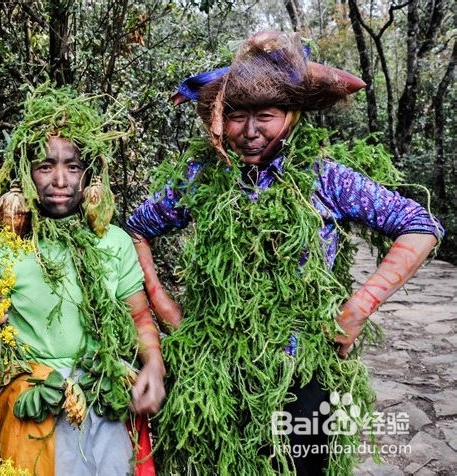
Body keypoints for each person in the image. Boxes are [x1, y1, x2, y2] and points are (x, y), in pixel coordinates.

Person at [126, 31, 444, 475]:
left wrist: (358, 308)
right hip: (216, 367)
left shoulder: (323, 178)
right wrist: (162, 303)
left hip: (303, 369)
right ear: (219, 119)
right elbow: (136, 228)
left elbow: (421, 226)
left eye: (266, 116)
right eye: (236, 117)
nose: (250, 132)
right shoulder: (201, 178)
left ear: (292, 115)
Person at [0, 85, 165, 475]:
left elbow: (139, 317)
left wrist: (153, 365)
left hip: (105, 399)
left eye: (73, 166)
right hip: (33, 407)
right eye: (45, 166)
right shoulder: (2, 248)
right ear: (25, 173)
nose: (60, 179)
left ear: (89, 174)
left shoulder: (114, 241)